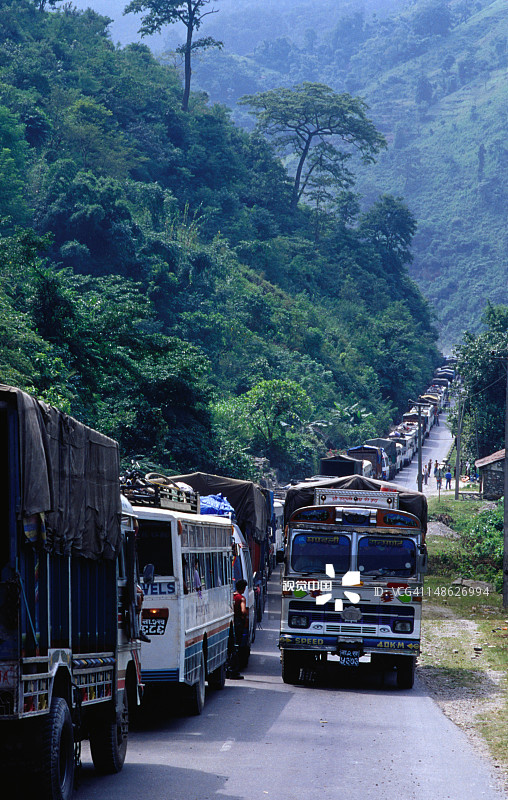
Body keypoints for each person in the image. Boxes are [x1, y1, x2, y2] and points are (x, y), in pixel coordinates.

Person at [228, 579, 247, 679]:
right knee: (237, 647)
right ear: (243, 588)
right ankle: (234, 671)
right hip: (238, 622)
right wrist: (245, 614)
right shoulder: (241, 598)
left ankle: (228, 669)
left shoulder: (232, 596)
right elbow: (243, 610)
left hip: (230, 622)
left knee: (230, 646)